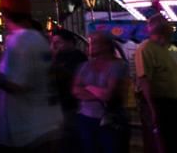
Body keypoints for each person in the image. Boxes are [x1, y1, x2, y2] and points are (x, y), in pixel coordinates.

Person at [0, 0, 62, 151]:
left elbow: (17, 86)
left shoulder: (21, 41)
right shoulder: (37, 38)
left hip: (30, 131)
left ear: (5, 14)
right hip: (45, 125)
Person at [72, 32, 129, 153]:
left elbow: (109, 95)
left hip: (110, 120)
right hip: (86, 119)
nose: (90, 46)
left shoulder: (118, 65)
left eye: (94, 43)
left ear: (106, 46)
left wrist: (88, 87)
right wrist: (100, 92)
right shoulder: (85, 66)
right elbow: (75, 90)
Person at [134, 14, 177, 153]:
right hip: (157, 101)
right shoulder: (146, 48)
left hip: (170, 100)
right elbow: (144, 79)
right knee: (158, 140)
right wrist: (152, 108)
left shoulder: (169, 49)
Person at [51, 28, 88, 152]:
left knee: (70, 140)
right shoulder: (57, 57)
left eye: (59, 42)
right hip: (58, 104)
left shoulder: (79, 58)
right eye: (53, 43)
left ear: (70, 42)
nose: (55, 46)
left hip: (71, 105)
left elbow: (73, 78)